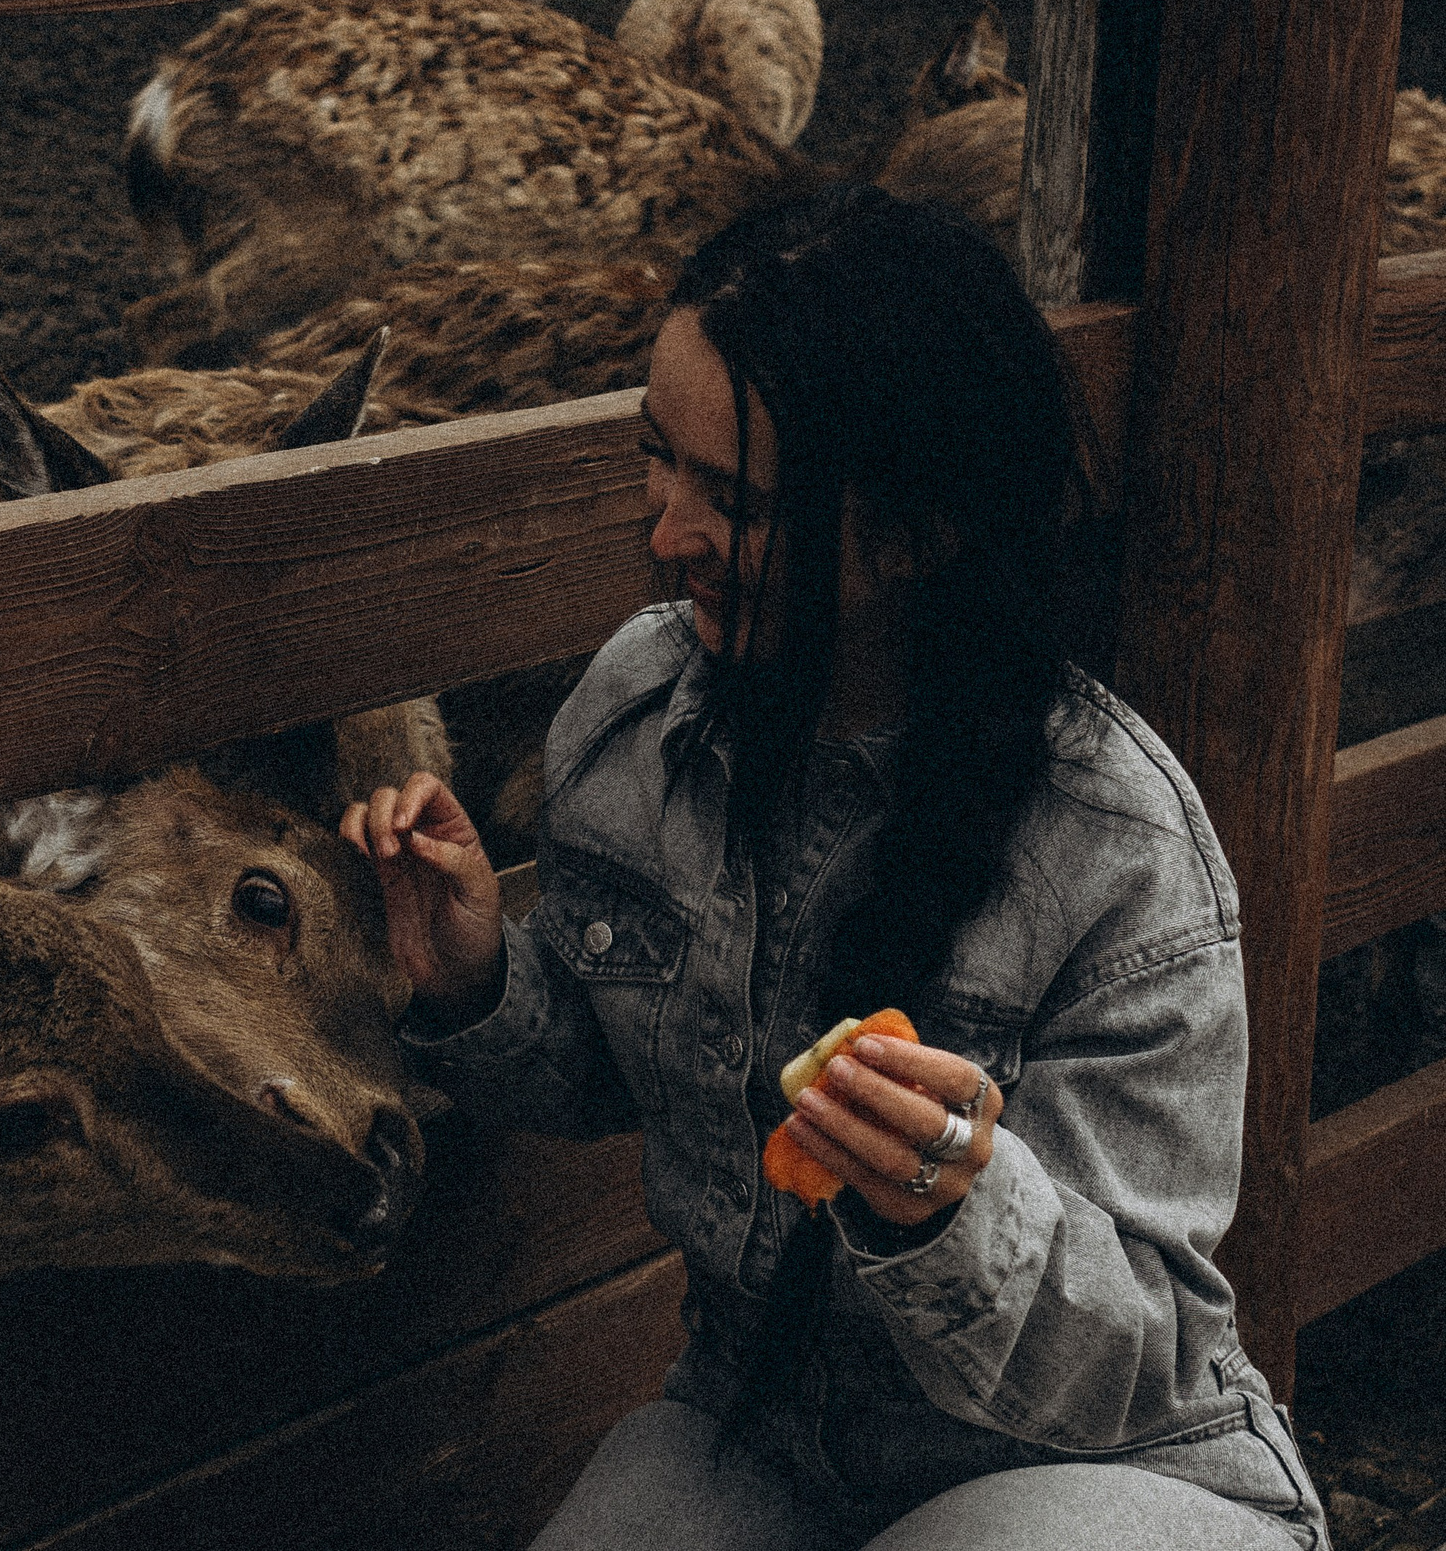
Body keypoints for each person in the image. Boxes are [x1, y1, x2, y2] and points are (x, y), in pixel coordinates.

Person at [343, 183, 1328, 1551]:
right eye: (656, 458)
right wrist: (470, 982)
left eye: (732, 500)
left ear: (917, 533)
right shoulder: (638, 714)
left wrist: (956, 1212)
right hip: (765, 1432)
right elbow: (604, 1072)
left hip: (1094, 1468)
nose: (665, 530)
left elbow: (1146, 1353)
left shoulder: (1116, 849)